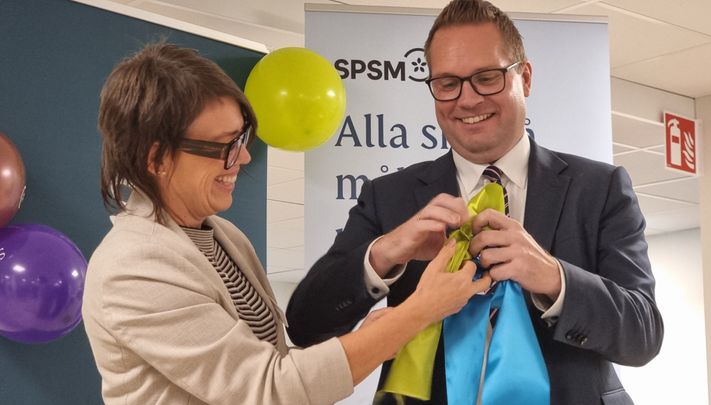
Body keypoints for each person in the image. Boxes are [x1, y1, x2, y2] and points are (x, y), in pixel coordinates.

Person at [286, 1, 664, 404]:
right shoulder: (389, 196)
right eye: (448, 83)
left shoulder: (599, 188)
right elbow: (306, 325)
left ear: (526, 77)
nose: (467, 100)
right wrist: (383, 254)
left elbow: (643, 335)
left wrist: (554, 278)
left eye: (487, 78)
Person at [81, 43, 488, 405]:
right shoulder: (133, 268)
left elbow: (271, 360)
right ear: (157, 159)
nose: (241, 160)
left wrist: (375, 324)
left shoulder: (224, 236)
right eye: (225, 147)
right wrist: (415, 314)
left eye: (242, 141)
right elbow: (271, 391)